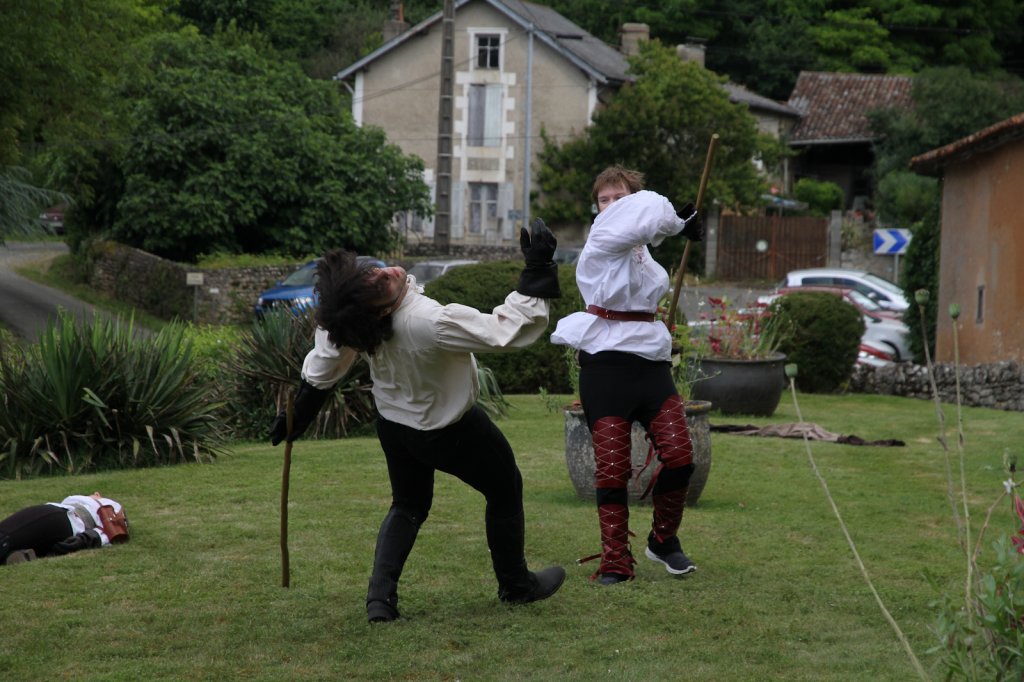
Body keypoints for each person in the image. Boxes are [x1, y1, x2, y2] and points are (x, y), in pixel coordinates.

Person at [269, 221, 565, 623]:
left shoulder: (356, 319)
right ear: (379, 310)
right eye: (378, 284)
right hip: (451, 431)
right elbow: (505, 332)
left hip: (395, 428)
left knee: (408, 504)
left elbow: (328, 356)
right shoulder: (427, 320)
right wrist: (538, 267)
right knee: (505, 487)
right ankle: (516, 586)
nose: (387, 272)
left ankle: (380, 601)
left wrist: (299, 413)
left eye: (374, 272)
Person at [551, 165, 704, 586]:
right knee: (612, 468)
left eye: (620, 198)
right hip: (605, 366)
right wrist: (678, 223)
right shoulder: (603, 236)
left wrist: (678, 228)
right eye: (604, 200)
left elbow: (646, 222)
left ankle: (663, 541)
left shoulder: (642, 249)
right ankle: (616, 560)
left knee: (680, 457)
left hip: (650, 364)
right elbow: (650, 210)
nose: (612, 206)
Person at [0, 492, 129, 565]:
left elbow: (115, 531)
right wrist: (86, 539)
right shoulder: (98, 506)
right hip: (63, 528)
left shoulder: (108, 504)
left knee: (4, 535)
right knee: (10, 541)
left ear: (97, 494)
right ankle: (17, 555)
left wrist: (87, 539)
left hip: (59, 517)